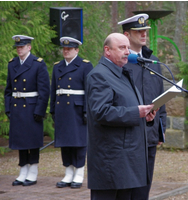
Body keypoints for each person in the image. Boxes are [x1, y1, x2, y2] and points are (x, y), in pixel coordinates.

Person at [86, 33, 157, 200]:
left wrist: (144, 116)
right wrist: (135, 112)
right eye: (122, 48)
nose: (127, 52)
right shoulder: (100, 75)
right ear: (107, 51)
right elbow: (101, 112)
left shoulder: (122, 73)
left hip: (125, 161)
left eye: (128, 47)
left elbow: (124, 107)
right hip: (110, 161)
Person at [118, 13, 167, 199]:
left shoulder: (153, 62)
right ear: (127, 35)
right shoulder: (120, 63)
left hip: (150, 135)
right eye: (139, 31)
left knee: (144, 188)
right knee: (127, 188)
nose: (144, 34)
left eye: (145, 30)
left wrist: (161, 130)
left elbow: (160, 98)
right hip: (128, 135)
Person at [4, 35, 50, 186]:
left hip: (31, 107)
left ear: (29, 47)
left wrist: (40, 110)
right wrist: (8, 107)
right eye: (17, 47)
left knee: (32, 141)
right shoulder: (12, 64)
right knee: (20, 141)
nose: (19, 49)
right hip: (17, 107)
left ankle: (33, 170)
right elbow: (8, 90)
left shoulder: (38, 64)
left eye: (22, 47)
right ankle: (23, 169)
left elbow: (44, 91)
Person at [50, 36, 93, 189]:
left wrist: (87, 111)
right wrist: (52, 109)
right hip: (62, 109)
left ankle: (79, 173)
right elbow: (53, 90)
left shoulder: (85, 66)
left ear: (77, 50)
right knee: (65, 143)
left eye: (69, 49)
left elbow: (90, 91)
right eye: (64, 48)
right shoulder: (57, 66)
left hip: (78, 110)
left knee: (79, 143)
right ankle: (68, 172)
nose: (66, 51)